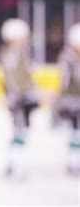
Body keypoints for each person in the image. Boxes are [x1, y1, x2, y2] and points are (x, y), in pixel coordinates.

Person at [0, 18, 40, 178]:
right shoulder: (11, 55)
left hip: (23, 98)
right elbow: (10, 78)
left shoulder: (20, 54)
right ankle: (14, 164)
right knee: (20, 131)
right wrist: (18, 95)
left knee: (23, 131)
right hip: (18, 100)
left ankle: (13, 162)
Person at [53, 22, 80, 175]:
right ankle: (73, 162)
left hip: (74, 100)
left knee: (77, 133)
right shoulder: (68, 59)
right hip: (72, 102)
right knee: (76, 132)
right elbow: (66, 82)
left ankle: (74, 161)